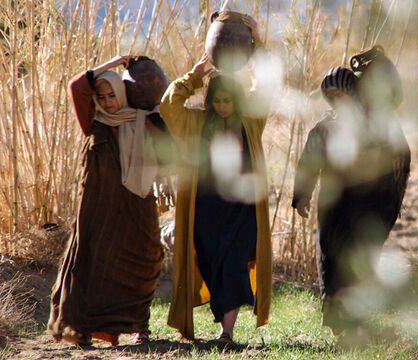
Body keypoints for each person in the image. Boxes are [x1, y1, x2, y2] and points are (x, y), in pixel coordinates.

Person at [160, 16, 272, 348]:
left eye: (229, 101)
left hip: (242, 208)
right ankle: (223, 327)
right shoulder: (195, 123)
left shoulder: (251, 122)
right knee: (212, 266)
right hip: (206, 211)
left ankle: (227, 334)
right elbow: (168, 106)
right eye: (218, 101)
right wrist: (194, 76)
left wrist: (257, 43)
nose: (223, 107)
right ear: (210, 101)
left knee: (235, 265)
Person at [48, 55, 166, 346]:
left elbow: (169, 149)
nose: (108, 101)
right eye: (102, 96)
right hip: (99, 208)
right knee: (94, 263)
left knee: (146, 260)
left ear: (124, 93)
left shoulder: (143, 119)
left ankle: (140, 327)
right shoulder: (93, 121)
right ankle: (85, 327)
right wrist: (113, 63)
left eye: (113, 95)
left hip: (137, 204)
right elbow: (77, 86)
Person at [292, 65, 410, 338]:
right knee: (329, 258)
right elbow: (308, 163)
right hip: (332, 208)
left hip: (367, 208)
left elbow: (396, 157)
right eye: (330, 97)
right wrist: (301, 196)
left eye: (341, 94)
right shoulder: (324, 127)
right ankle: (338, 323)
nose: (336, 101)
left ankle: (356, 320)